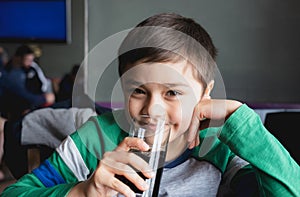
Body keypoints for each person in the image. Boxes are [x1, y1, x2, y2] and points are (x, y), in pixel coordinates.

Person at [1, 13, 299, 197]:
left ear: (204, 94)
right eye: (138, 91)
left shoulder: (219, 148)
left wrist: (243, 123)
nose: (152, 109)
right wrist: (83, 191)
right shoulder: (93, 140)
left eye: (172, 92)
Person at [1, 45, 55, 121]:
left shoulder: (32, 68)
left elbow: (43, 85)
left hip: (34, 102)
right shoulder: (9, 74)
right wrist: (44, 99)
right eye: (27, 60)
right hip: (18, 108)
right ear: (18, 58)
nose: (30, 63)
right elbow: (21, 94)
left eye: (31, 60)